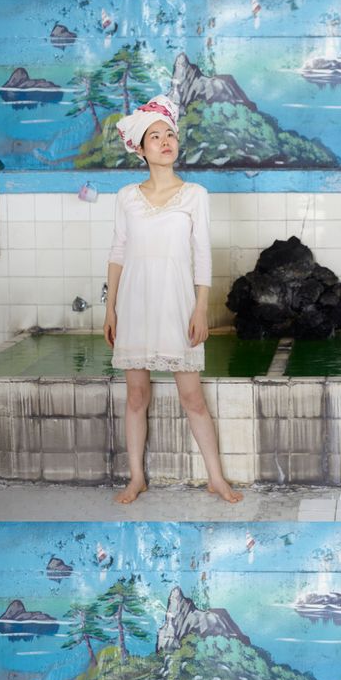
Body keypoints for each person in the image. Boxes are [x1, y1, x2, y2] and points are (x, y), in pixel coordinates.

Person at [103, 94, 242, 505]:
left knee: (192, 397)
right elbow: (117, 253)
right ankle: (135, 478)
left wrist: (200, 307)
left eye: (169, 135)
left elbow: (202, 254)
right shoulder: (127, 196)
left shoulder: (195, 194)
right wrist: (110, 309)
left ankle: (216, 478)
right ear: (141, 150)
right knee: (136, 396)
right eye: (155, 137)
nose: (165, 141)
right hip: (134, 304)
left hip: (178, 304)